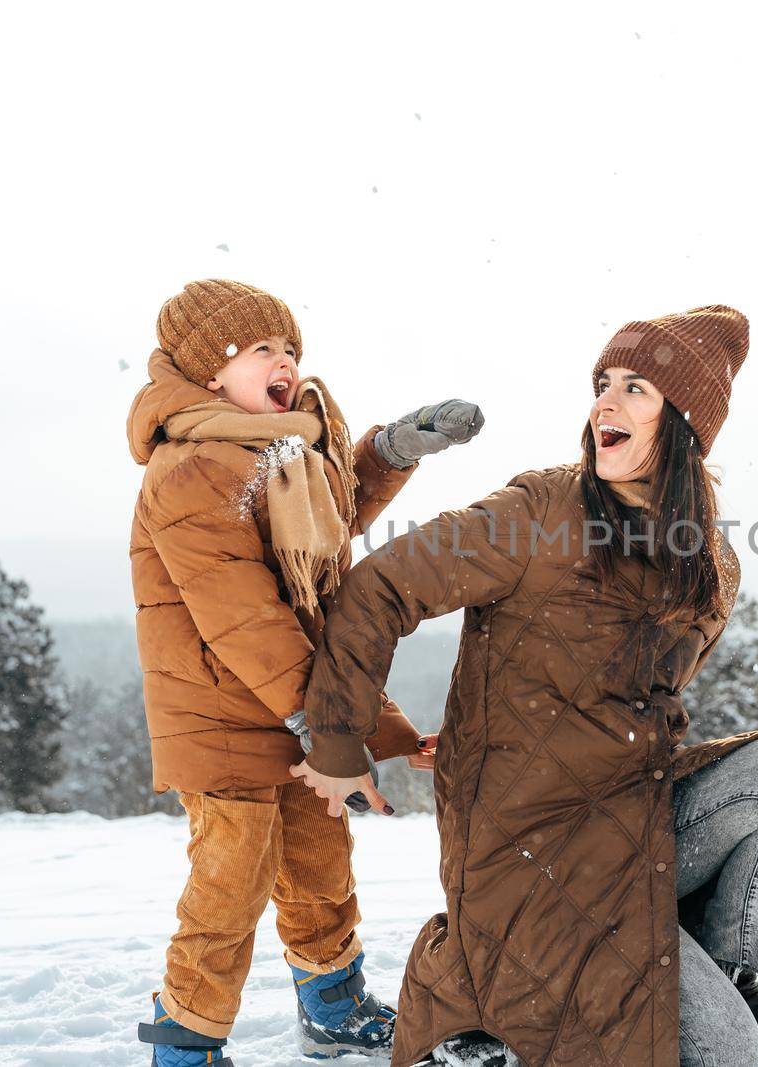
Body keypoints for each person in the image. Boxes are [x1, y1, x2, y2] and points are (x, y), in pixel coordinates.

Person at [291, 305, 758, 1067]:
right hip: (528, 847)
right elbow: (379, 585)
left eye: (636, 387)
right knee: (726, 1054)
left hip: (629, 816)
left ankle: (727, 973)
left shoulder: (709, 562)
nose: (604, 404)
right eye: (602, 383)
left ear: (683, 423)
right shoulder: (537, 511)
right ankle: (464, 988)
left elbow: (636, 708)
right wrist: (339, 737)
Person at [127, 279, 484, 1064]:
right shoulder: (190, 469)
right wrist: (323, 723)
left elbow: (333, 514)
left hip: (289, 710)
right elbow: (242, 615)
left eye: (290, 347)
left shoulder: (282, 454)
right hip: (223, 715)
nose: (285, 361)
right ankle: (184, 1040)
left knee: (321, 861)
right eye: (262, 348)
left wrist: (395, 449)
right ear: (210, 370)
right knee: (231, 881)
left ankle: (332, 1003)